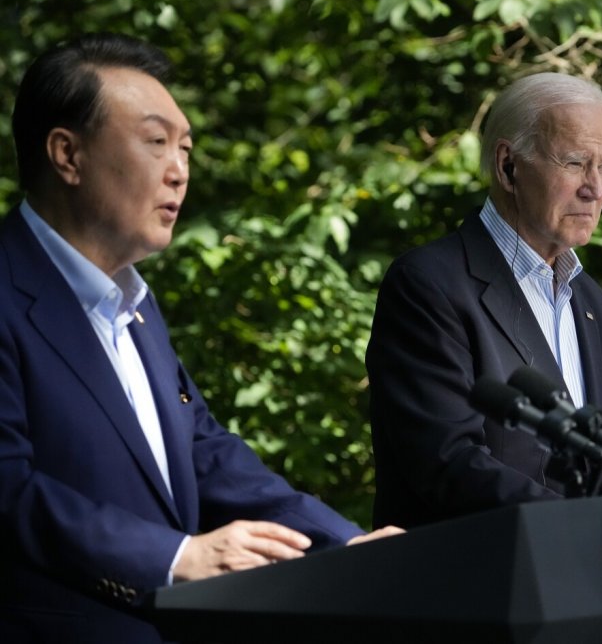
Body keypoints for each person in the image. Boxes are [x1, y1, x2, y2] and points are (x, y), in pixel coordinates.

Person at [0, 33, 400, 643]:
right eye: (156, 142)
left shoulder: (133, 302)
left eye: (186, 147)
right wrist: (174, 557)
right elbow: (9, 490)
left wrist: (344, 543)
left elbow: (203, 450)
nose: (180, 171)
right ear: (67, 155)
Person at [366, 72, 602, 529]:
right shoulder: (427, 284)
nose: (595, 188)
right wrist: (587, 526)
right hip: (471, 584)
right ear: (508, 165)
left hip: (586, 583)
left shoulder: (592, 301)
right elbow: (448, 464)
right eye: (574, 163)